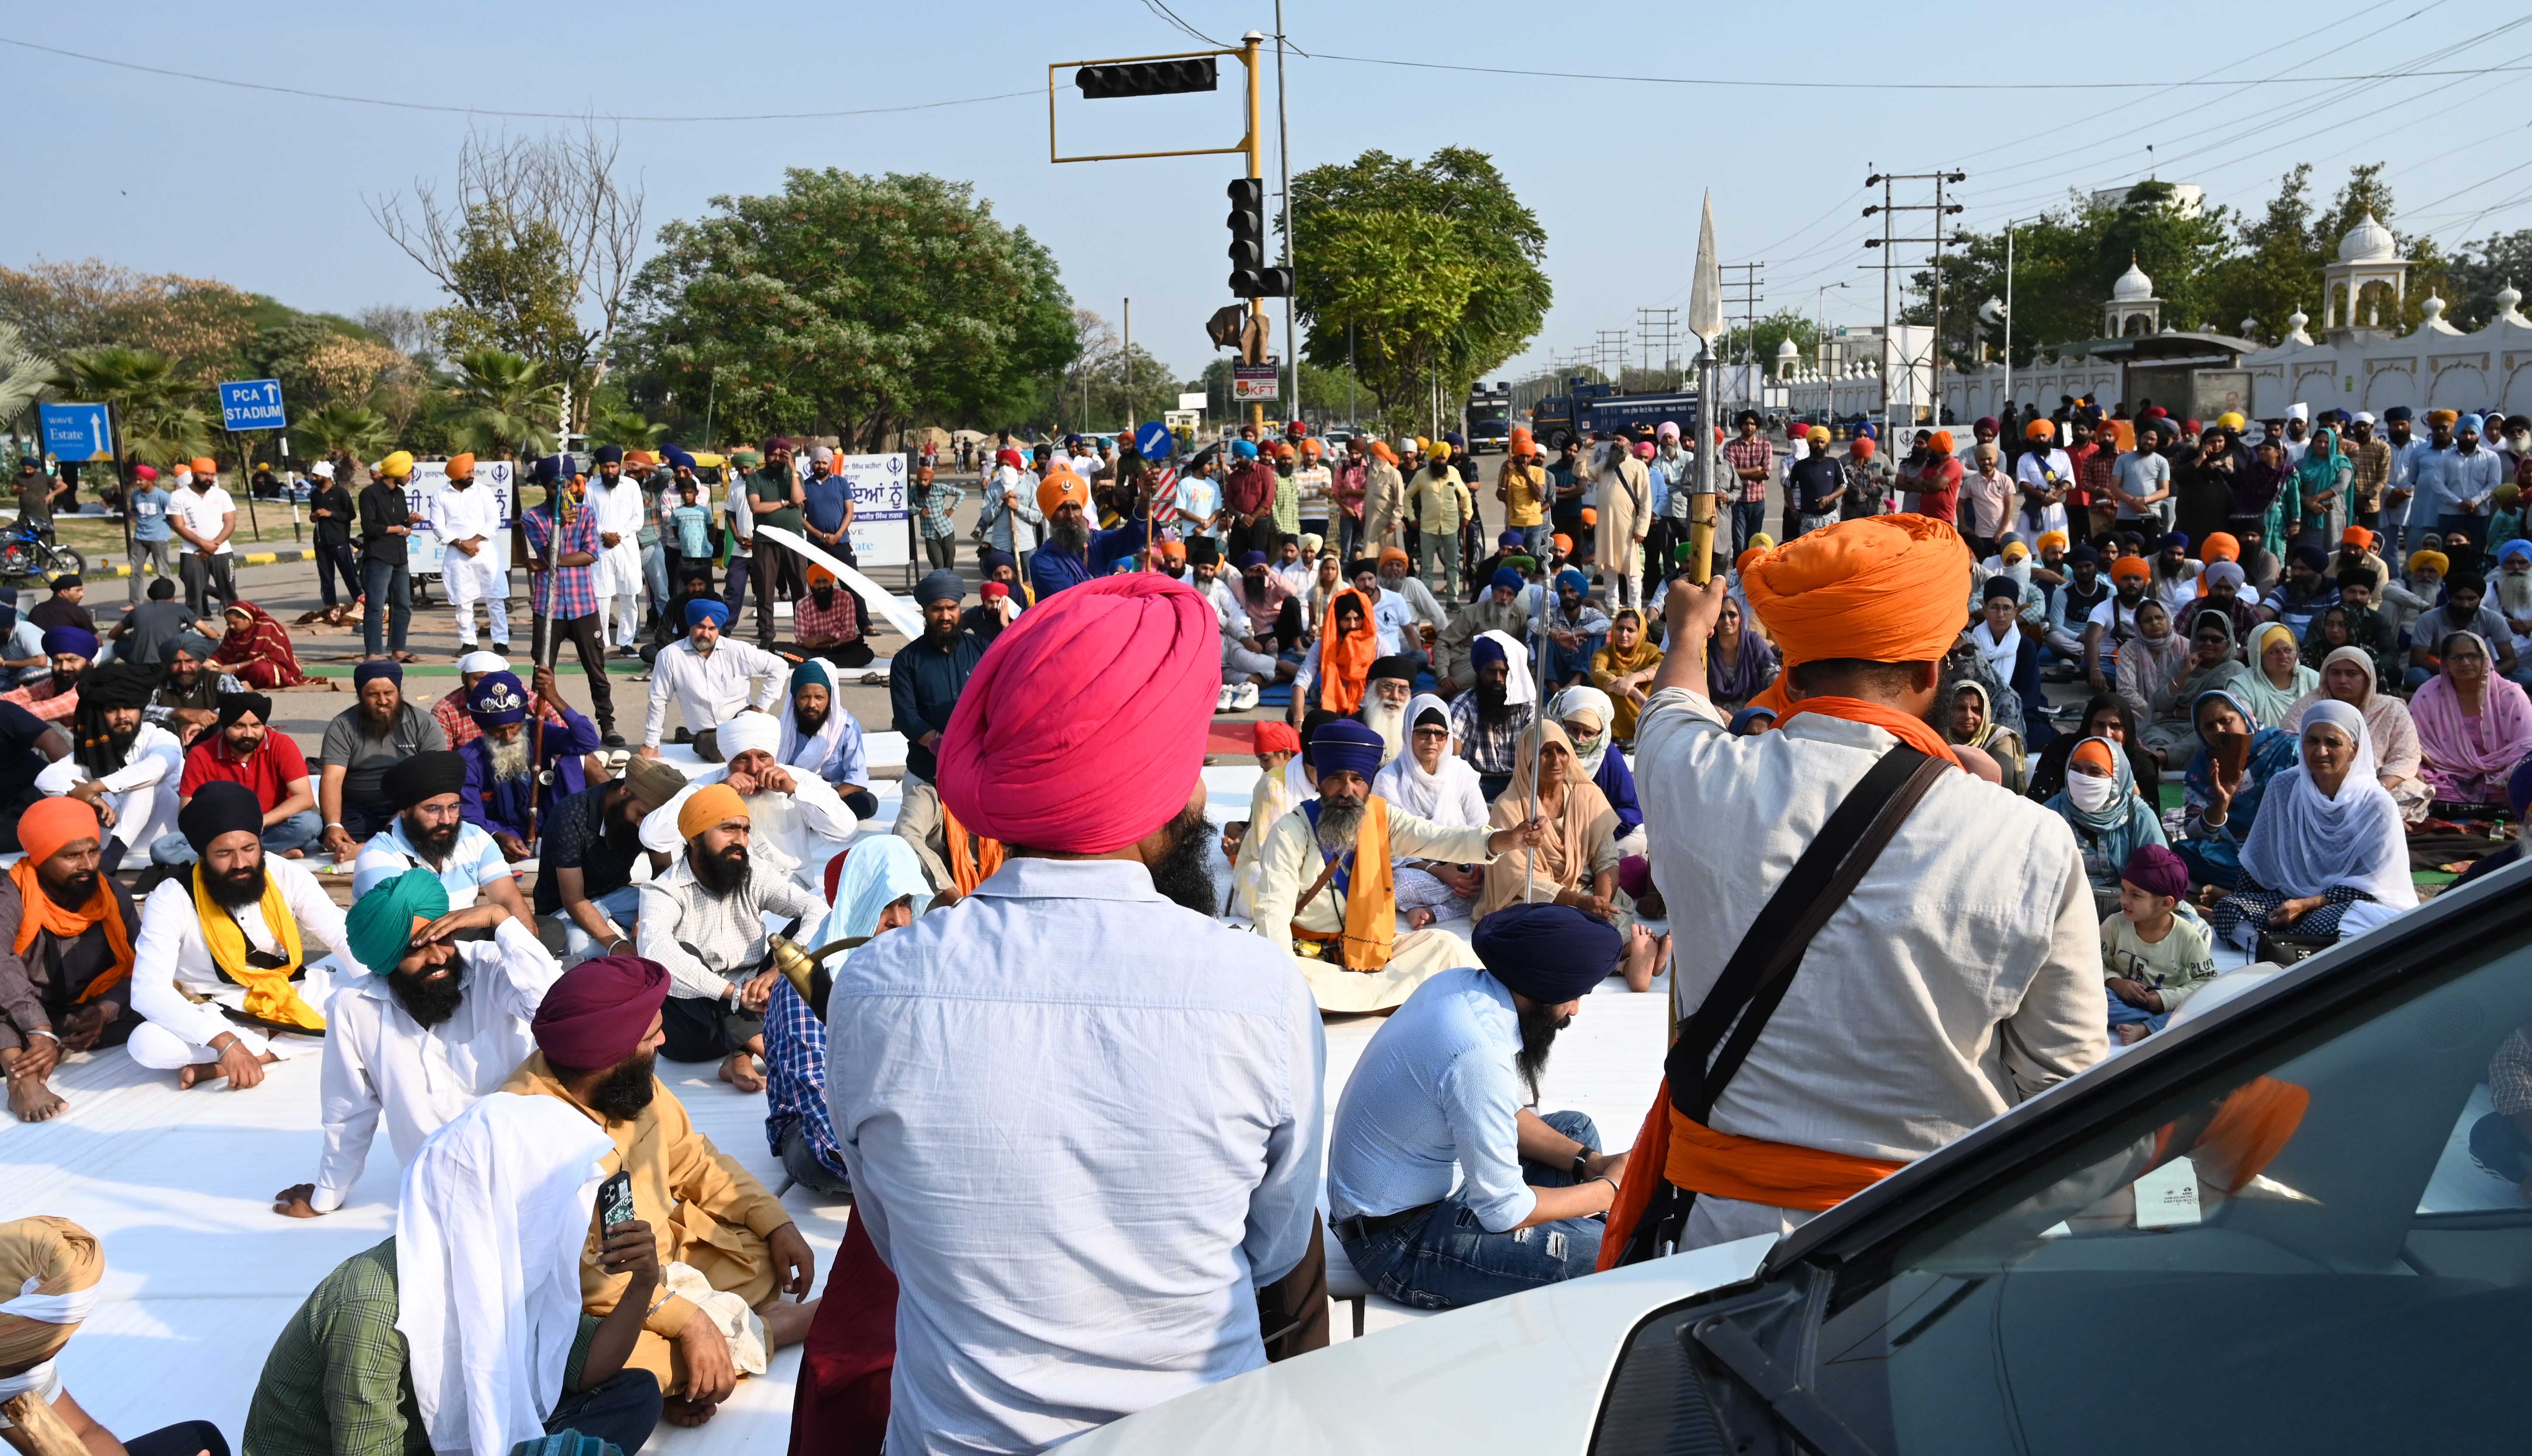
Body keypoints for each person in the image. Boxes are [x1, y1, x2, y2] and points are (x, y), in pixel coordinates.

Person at [797, 575, 1328, 1456]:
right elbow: (1272, 1250)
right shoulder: (1260, 992)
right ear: (1157, 784)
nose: (1197, 791)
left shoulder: (873, 988)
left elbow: (891, 1238)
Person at [1613, 514, 2102, 1256]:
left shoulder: (1698, 781)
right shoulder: (2030, 841)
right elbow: (2066, 1103)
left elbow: (1670, 706)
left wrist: (1687, 632)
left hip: (1723, 1256)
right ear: (1933, 670)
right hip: (1932, 1261)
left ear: (1793, 669)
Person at [246, 1094, 667, 1456]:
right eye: (554, 1199)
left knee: (636, 1394)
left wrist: (644, 1283)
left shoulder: (500, 1261)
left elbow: (586, 1368)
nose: (568, 1215)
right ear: (505, 1201)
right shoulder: (370, 1308)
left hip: (425, 1440)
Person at [504, 956, 819, 1424]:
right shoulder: (529, 1131)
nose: (665, 1041)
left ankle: (704, 1358)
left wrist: (776, 1222)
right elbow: (593, 1280)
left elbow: (695, 1160)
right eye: (652, 1036)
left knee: (760, 1261)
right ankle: (769, 1330)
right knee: (629, 1363)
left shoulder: (626, 1081)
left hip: (664, 1262)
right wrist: (686, 1322)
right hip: (593, 1307)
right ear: (607, 1049)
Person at [1327, 903, 1628, 1309]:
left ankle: (1578, 1216)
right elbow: (1503, 1210)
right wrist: (1608, 1191)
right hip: (1395, 1241)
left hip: (1426, 1193)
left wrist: (1591, 1164)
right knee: (1612, 1255)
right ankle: (1589, 1226)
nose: (1575, 1009)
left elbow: (1497, 1110)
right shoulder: (1477, 1051)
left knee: (1576, 1132)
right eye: (1573, 996)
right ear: (1541, 990)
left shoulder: (1458, 986)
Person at [272, 869, 561, 1218]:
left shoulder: (491, 967)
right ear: (387, 959)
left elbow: (560, 1011)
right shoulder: (353, 1008)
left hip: (529, 1182)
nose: (438, 957)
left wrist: (502, 920)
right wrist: (328, 1195)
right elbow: (348, 1113)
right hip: (434, 1196)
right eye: (417, 949)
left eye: (445, 938)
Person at [124, 782, 357, 1086]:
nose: (241, 864)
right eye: (224, 853)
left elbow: (343, 937)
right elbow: (148, 990)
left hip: (290, 993)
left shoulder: (286, 873)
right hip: (218, 1009)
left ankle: (258, 1057)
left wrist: (383, 990)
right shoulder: (171, 897)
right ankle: (264, 1045)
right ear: (203, 853)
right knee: (147, 1044)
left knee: (369, 1002)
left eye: (249, 849)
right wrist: (224, 1042)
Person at [761, 837, 934, 1201]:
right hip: (820, 1129)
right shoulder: (806, 985)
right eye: (885, 906)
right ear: (857, 903)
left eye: (905, 904)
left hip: (891, 1114)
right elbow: (815, 1095)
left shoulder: (915, 967)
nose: (901, 922)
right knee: (817, 1157)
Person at [633, 784, 824, 1090]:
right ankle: (774, 1055)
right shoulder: (663, 889)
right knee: (676, 955)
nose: (741, 841)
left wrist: (780, 970)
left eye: (746, 830)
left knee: (803, 933)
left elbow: (817, 910)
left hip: (759, 1005)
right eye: (729, 829)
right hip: (692, 1033)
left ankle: (739, 1054)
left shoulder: (752, 873)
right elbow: (655, 949)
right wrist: (731, 993)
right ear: (694, 837)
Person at [0, 1217, 229, 1456]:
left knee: (201, 1439)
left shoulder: (13, 1360)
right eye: (32, 1362)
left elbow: (83, 1432)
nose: (38, 1369)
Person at [2209, 701, 2417, 951]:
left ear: (2354, 750)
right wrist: (2240, 899)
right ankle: (2289, 948)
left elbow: (2375, 885)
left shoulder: (2376, 804)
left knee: (2349, 922)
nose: (2320, 752)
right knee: (2229, 911)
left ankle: (2284, 947)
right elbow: (2262, 854)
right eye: (2312, 741)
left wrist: (2308, 904)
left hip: (2341, 906)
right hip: (2287, 899)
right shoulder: (2284, 787)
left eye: (2333, 743)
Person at [0, 800, 139, 1123]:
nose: (88, 865)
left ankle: (55, 1045)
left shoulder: (112, 894)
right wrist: (39, 1028)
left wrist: (106, 1010)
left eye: (93, 851)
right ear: (41, 857)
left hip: (81, 1011)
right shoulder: (11, 895)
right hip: (19, 1011)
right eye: (71, 856)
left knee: (162, 1004)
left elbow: (144, 965)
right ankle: (22, 1079)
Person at [348, 750, 534, 920]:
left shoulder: (475, 838)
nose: (446, 820)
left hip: (468, 938)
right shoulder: (379, 857)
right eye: (434, 810)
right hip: (410, 949)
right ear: (404, 812)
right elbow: (405, 932)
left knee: (548, 929)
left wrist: (526, 948)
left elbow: (509, 901)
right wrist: (489, 916)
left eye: (453, 807)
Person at [519, 456, 621, 741]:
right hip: (547, 608)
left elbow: (590, 555)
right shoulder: (532, 518)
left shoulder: (586, 514)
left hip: (583, 606)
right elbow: (545, 551)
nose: (562, 493)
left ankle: (608, 724)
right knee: (542, 672)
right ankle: (543, 726)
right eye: (554, 487)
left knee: (596, 670)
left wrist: (547, 563)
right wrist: (559, 528)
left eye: (566, 486)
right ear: (545, 487)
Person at [541, 758, 685, 959]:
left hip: (619, 897)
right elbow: (574, 900)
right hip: (565, 911)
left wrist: (646, 911)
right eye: (641, 814)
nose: (642, 825)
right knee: (579, 945)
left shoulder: (648, 822)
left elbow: (663, 869)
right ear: (626, 791)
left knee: (681, 912)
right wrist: (616, 944)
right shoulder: (570, 816)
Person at [155, 691, 320, 866]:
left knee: (310, 823)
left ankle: (238, 857)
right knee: (162, 849)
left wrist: (260, 821)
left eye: (256, 725)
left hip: (269, 825)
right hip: (221, 833)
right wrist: (225, 830)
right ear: (225, 726)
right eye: (239, 726)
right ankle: (265, 856)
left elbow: (304, 798)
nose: (249, 733)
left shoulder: (281, 745)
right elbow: (187, 813)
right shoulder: (201, 754)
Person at [461, 668, 601, 858]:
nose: (508, 736)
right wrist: (497, 836)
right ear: (484, 729)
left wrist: (554, 697)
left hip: (556, 819)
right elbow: (469, 816)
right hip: (511, 837)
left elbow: (588, 741)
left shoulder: (538, 732)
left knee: (582, 760)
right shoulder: (470, 759)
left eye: (514, 727)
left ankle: (619, 820)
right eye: (498, 730)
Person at [2283, 646, 2431, 821]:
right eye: (2336, 673)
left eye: (2352, 674)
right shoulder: (2309, 706)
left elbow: (2405, 756)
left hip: (2377, 782)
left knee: (2412, 790)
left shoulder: (2390, 709)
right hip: (2319, 782)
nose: (2343, 680)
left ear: (2367, 678)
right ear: (2325, 676)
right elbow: (2289, 746)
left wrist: (2378, 790)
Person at [320, 662, 449, 860]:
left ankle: (367, 849)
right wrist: (333, 825)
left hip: (408, 807)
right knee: (337, 839)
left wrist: (401, 815)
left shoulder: (424, 724)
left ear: (399, 691)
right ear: (360, 695)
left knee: (432, 827)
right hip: (358, 810)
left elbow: (434, 782)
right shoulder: (342, 726)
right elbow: (332, 779)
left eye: (389, 693)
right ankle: (387, 844)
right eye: (373, 695)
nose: (382, 700)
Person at [640, 599, 788, 764]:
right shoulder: (670, 656)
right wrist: (651, 744)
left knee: (775, 736)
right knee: (725, 752)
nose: (706, 634)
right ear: (691, 626)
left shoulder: (737, 650)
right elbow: (658, 701)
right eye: (701, 627)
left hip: (743, 722)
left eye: (712, 629)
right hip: (708, 735)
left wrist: (761, 708)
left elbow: (779, 666)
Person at [2100, 844, 2217, 1045]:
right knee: (2094, 998)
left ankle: (2147, 1028)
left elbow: (2208, 983)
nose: (2124, 900)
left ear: (2166, 904)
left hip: (2168, 1004)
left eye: (2135, 895)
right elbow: (2090, 964)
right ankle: (2162, 1025)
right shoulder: (2114, 924)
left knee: (2200, 1006)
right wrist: (2116, 983)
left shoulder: (2187, 936)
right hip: (2120, 999)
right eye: (2124, 890)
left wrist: (2165, 999)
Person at [2045, 736, 2169, 913]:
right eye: (2076, 769)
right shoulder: (2051, 812)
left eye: (2095, 772)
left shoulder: (2138, 815)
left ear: (2116, 778)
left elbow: (2159, 873)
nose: (2083, 778)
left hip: (2126, 910)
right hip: (2063, 907)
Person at [2410, 630, 2532, 805]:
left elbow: (2527, 744)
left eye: (2472, 656)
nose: (2466, 663)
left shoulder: (2511, 695)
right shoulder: (2427, 694)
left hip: (2503, 772)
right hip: (2445, 772)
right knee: (2410, 782)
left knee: (2525, 779)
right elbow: (2412, 742)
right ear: (2445, 663)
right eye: (2457, 658)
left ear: (2485, 659)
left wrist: (2509, 772)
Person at [428, 453, 511, 655]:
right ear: (456, 474)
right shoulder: (441, 495)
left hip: (485, 552)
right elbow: (438, 526)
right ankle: (469, 643)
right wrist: (460, 544)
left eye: (473, 471)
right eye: (468, 472)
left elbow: (494, 521)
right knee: (463, 602)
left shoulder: (483, 491)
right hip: (457, 556)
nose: (472, 475)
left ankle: (501, 642)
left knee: (495, 599)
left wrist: (473, 542)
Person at [359, 450, 419, 662]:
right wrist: (398, 530)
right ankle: (373, 653)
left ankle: (398, 649)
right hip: (379, 557)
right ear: (398, 472)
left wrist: (410, 522)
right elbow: (370, 527)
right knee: (376, 605)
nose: (411, 477)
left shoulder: (400, 494)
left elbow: (402, 523)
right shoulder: (370, 494)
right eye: (409, 472)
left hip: (400, 557)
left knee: (403, 604)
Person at [169, 457, 239, 618]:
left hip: (222, 551)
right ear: (194, 474)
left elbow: (230, 523)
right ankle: (195, 632)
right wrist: (202, 544)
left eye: (212, 474)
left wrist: (215, 545)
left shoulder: (222, 495)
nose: (209, 478)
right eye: (205, 474)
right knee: (194, 595)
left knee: (230, 594)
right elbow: (178, 525)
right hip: (192, 552)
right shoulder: (179, 496)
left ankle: (237, 631)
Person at [1590, 606, 1666, 739]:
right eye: (1620, 628)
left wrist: (1635, 678)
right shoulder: (1604, 654)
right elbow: (1598, 673)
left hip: (1647, 714)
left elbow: (1662, 666)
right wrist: (1633, 691)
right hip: (1618, 724)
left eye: (1631, 630)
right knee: (1613, 691)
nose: (1624, 635)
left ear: (1640, 632)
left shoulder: (1649, 651)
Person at [204, 601, 311, 689]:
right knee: (206, 672)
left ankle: (250, 685)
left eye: (235, 623)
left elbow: (264, 658)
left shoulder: (265, 626)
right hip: (242, 669)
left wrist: (234, 667)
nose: (231, 627)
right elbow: (222, 654)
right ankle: (237, 681)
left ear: (248, 619)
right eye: (229, 624)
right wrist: (207, 665)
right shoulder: (232, 632)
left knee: (260, 670)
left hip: (268, 666)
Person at [1946, 679, 2027, 793]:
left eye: (1976, 710)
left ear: (1986, 713)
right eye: (1961, 708)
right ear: (1948, 710)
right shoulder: (1937, 735)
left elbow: (2002, 786)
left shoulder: (1999, 738)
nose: (1968, 716)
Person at [0, 626, 92, 724]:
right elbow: (24, 695)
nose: (64, 667)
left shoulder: (90, 688)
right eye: (58, 661)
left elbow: (41, 711)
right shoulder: (52, 684)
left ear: (89, 663)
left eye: (72, 660)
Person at [110, 577, 199, 676]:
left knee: (118, 644)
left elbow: (113, 634)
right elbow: (211, 634)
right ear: (173, 596)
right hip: (168, 661)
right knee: (207, 641)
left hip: (139, 661)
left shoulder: (139, 610)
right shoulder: (180, 608)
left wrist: (132, 638)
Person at [2235, 620, 2317, 728]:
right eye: (2274, 652)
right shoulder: (2242, 686)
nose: (2283, 656)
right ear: (2259, 656)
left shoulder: (2311, 678)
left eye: (2288, 650)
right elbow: (2242, 727)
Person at [125, 465, 179, 607]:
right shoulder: (136, 495)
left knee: (163, 571)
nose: (138, 483)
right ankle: (136, 603)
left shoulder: (162, 496)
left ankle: (167, 601)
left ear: (150, 480)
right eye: (137, 480)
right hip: (140, 538)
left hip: (159, 539)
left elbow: (173, 515)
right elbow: (133, 512)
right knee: (135, 571)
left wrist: (163, 527)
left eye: (141, 480)